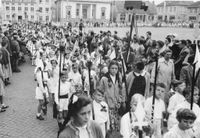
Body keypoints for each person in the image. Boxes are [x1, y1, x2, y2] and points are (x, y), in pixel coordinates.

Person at [99, 60, 125, 131]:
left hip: (116, 107)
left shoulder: (118, 79)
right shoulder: (104, 79)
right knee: (109, 126)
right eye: (112, 68)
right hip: (107, 106)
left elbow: (121, 92)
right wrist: (103, 103)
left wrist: (119, 101)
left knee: (116, 126)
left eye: (116, 68)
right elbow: (99, 92)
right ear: (109, 68)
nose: (114, 70)